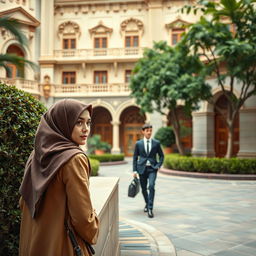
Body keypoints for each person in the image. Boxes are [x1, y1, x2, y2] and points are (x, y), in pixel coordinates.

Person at [19, 99, 99, 256]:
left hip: (33, 243)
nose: (86, 129)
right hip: (62, 247)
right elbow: (83, 219)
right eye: (78, 122)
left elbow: (25, 201)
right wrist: (94, 226)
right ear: (62, 122)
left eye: (88, 123)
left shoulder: (37, 154)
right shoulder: (74, 158)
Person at [133, 123, 164, 218]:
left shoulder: (156, 143)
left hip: (152, 169)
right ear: (143, 132)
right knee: (143, 189)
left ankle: (150, 208)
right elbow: (135, 158)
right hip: (141, 169)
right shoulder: (138, 144)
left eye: (150, 130)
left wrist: (158, 165)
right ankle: (147, 203)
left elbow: (162, 156)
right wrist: (134, 171)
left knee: (151, 186)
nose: (149, 132)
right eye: (147, 131)